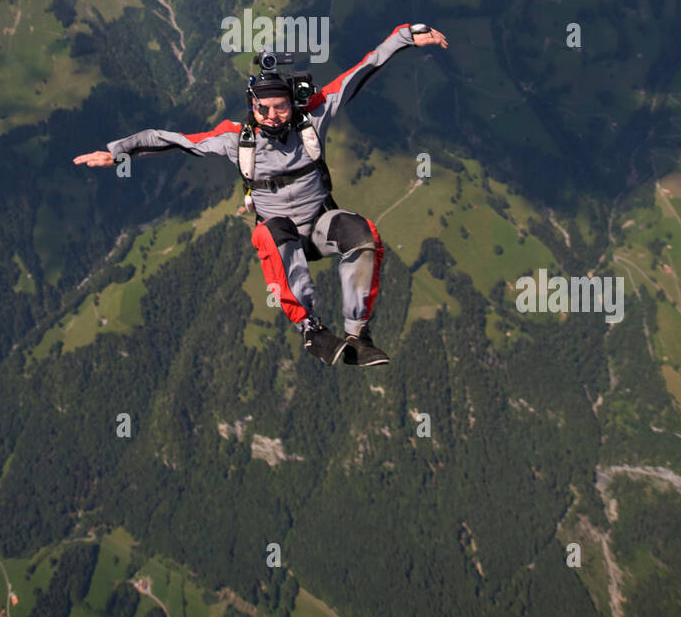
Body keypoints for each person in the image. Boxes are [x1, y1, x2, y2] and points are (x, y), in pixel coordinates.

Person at [74, 22, 448, 367]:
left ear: (293, 103)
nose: (271, 115)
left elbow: (362, 70)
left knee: (363, 235)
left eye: (280, 106)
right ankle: (311, 330)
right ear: (252, 106)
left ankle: (357, 332)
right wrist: (119, 150)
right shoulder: (236, 139)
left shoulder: (313, 117)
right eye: (263, 108)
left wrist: (404, 37)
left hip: (319, 224)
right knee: (270, 234)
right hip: (280, 231)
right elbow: (172, 140)